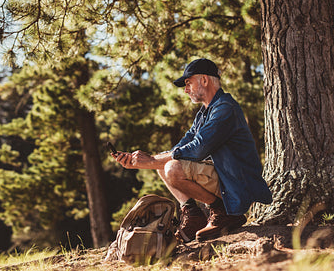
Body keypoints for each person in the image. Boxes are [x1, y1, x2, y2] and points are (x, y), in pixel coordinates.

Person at [112, 58, 272, 242]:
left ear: (204, 80)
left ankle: (222, 213)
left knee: (171, 167)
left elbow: (198, 149)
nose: (186, 89)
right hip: (225, 178)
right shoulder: (204, 113)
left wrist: (151, 161)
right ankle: (193, 215)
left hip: (237, 183)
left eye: (188, 83)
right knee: (163, 163)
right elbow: (181, 146)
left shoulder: (225, 108)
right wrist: (141, 161)